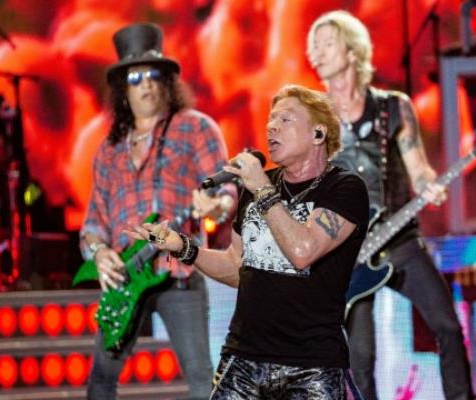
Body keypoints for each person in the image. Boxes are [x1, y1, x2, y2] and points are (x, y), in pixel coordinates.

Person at [125, 84, 370, 399]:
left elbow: (303, 251)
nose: (272, 126)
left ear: (318, 134)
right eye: (271, 120)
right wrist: (183, 247)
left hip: (312, 366)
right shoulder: (256, 189)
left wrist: (262, 190)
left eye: (286, 119)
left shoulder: (345, 189)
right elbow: (236, 266)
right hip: (243, 358)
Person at [306, 10, 476, 400]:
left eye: (325, 42)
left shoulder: (394, 107)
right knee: (360, 358)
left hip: (398, 237)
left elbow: (418, 169)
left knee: (447, 325)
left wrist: (428, 185)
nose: (316, 52)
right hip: (346, 252)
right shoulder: (313, 117)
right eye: (312, 47)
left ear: (351, 49)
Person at [80, 22, 231, 400]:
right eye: (135, 77)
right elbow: (93, 222)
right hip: (126, 280)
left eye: (153, 75)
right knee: (100, 380)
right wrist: (100, 255)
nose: (146, 84)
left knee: (201, 377)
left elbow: (226, 189)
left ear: (166, 82)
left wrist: (217, 204)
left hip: (178, 274)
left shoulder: (195, 128)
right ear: (123, 90)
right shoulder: (107, 151)